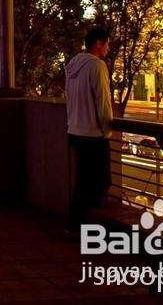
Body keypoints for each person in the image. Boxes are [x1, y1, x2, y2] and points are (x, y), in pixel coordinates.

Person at [64, 26, 114, 234]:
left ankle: (77, 226)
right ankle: (80, 227)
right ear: (98, 43)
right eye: (107, 44)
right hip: (93, 134)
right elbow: (103, 100)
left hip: (74, 130)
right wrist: (107, 127)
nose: (108, 49)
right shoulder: (97, 65)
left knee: (82, 182)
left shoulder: (73, 64)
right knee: (100, 181)